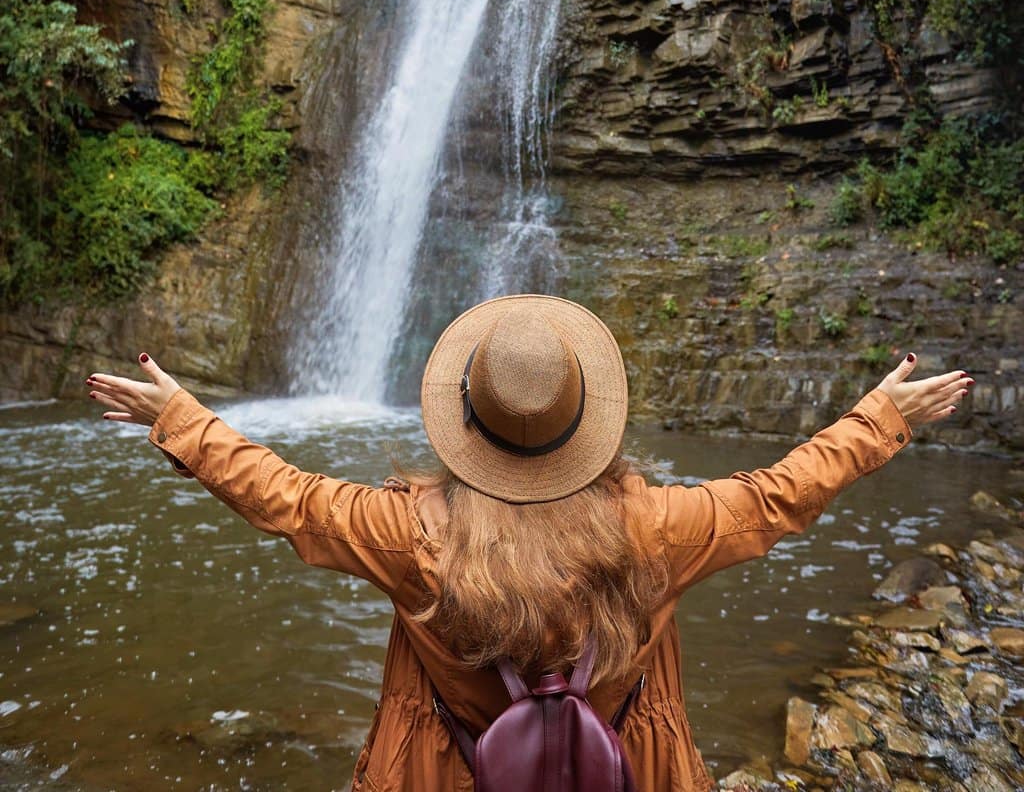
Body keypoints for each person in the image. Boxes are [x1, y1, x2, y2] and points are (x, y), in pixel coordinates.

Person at [86, 292, 973, 792]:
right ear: (584, 419)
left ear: (463, 421)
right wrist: (878, 418)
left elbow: (288, 500)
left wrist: (183, 420)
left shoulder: (409, 533)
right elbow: (776, 497)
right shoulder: (654, 529)